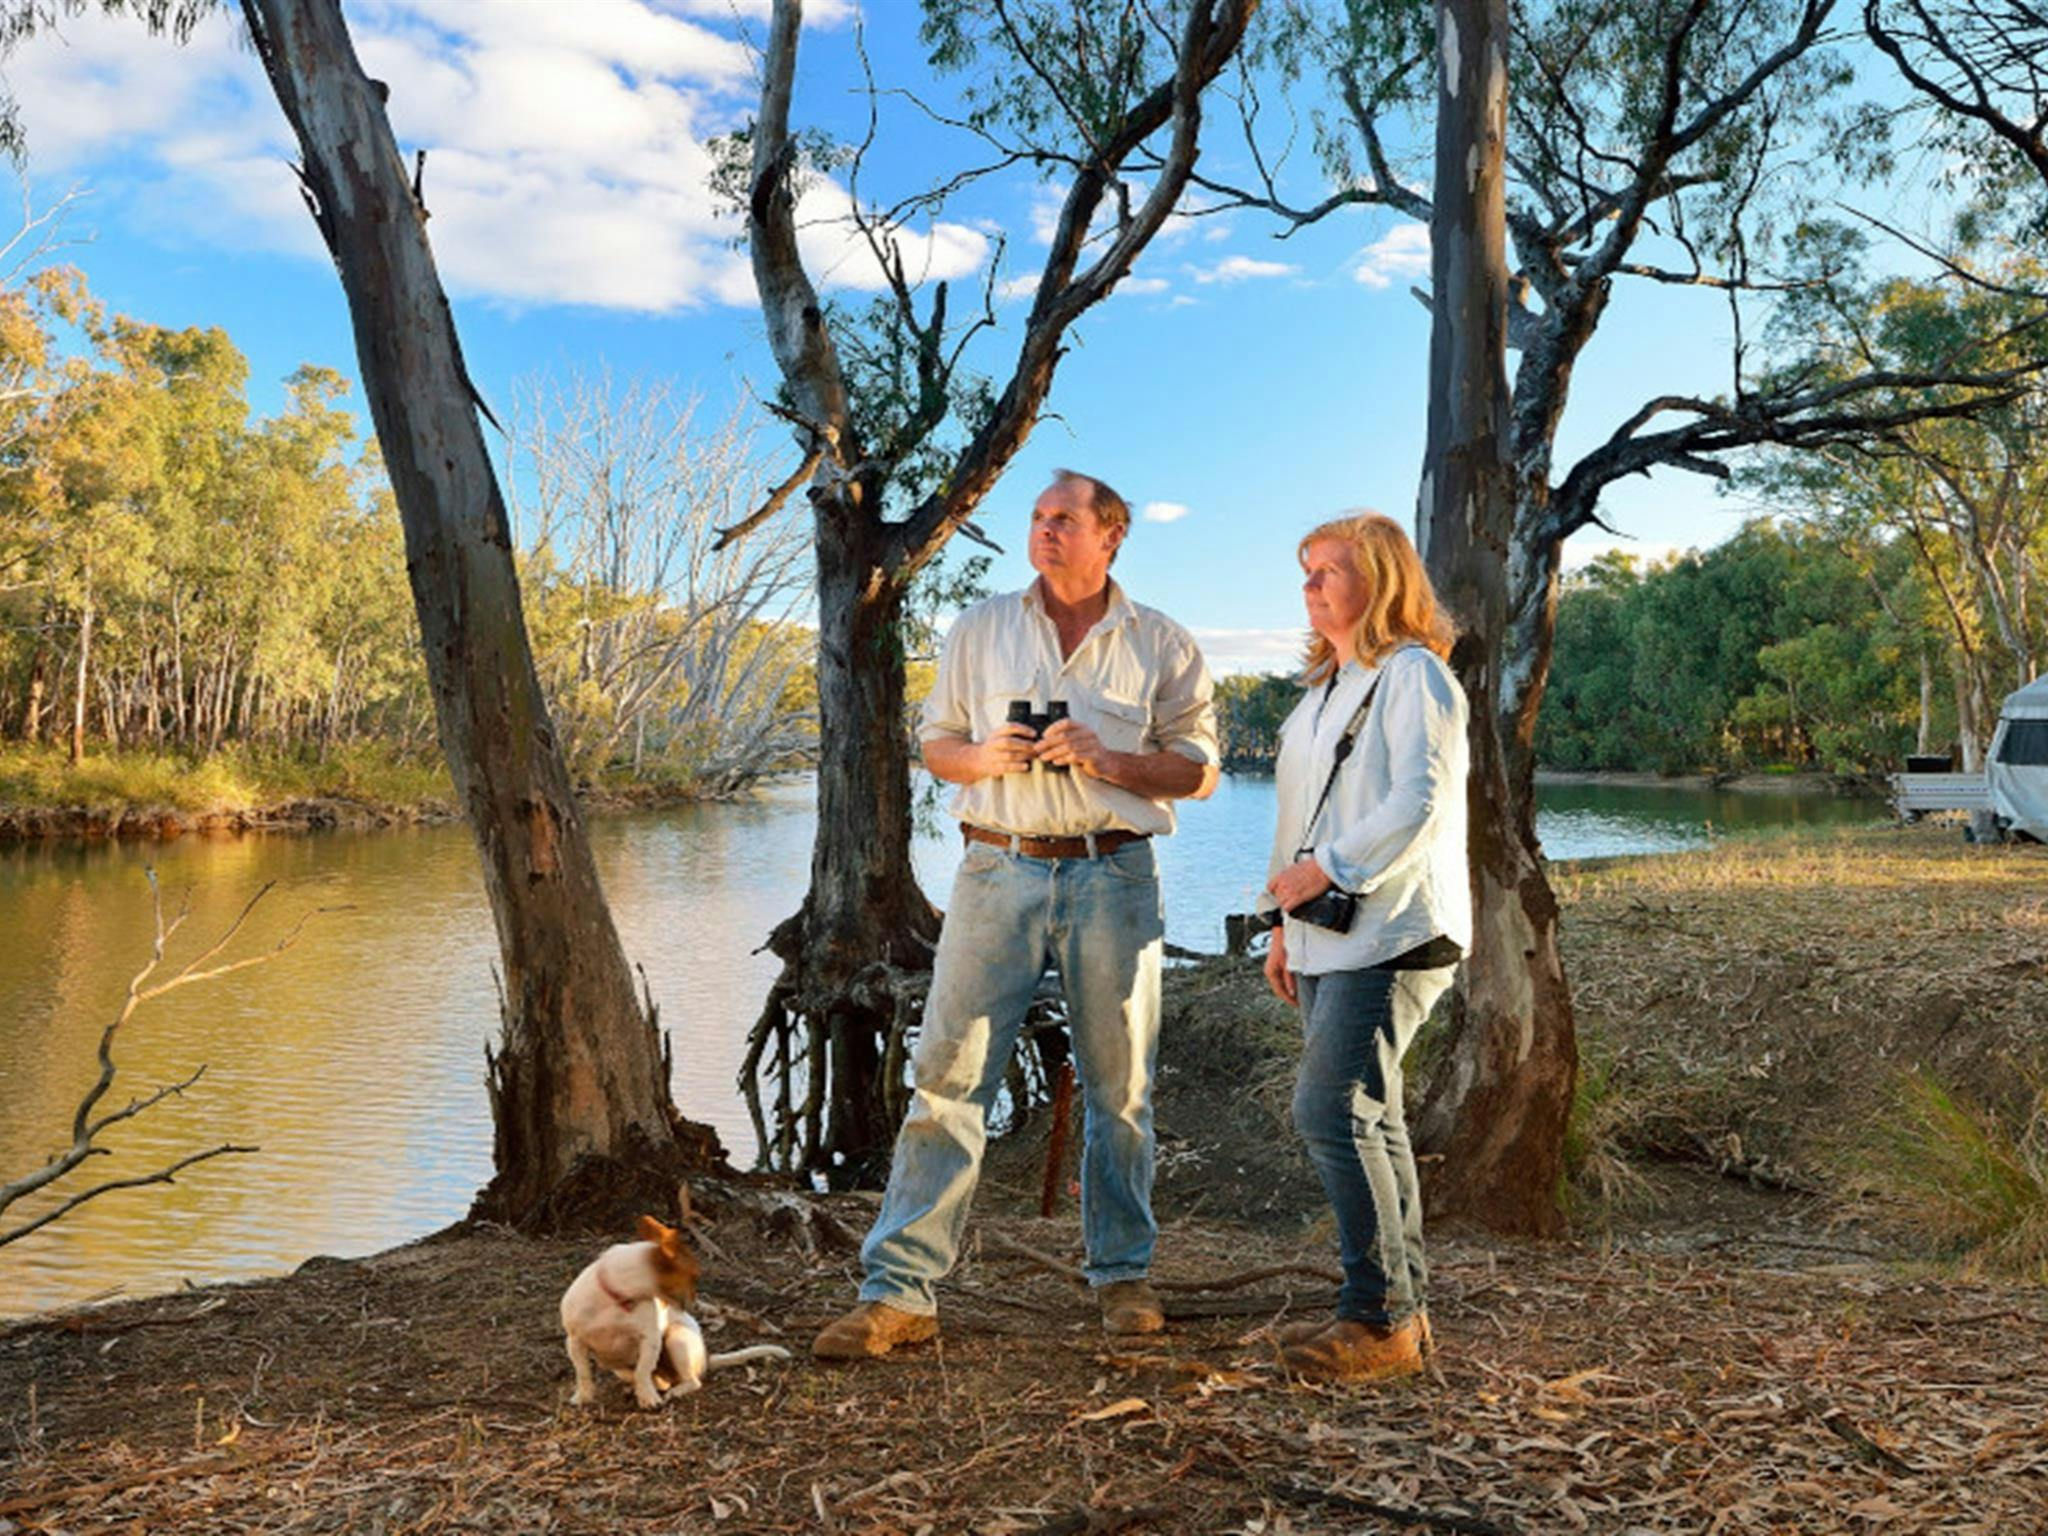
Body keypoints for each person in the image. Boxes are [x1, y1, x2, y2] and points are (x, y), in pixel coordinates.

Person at [812, 469, 1220, 1361]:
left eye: (1064, 519)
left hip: (1113, 875)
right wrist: (982, 756)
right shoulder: (981, 629)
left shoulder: (1162, 644)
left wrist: (1112, 760)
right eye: (1037, 518)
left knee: (1122, 1089)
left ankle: (1122, 1275)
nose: (1044, 532)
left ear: (1111, 535)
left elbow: (1198, 769)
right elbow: (935, 745)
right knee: (949, 1080)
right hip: (996, 871)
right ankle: (900, 1294)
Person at [1258, 511, 1470, 1383]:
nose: (1310, 587)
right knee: (1369, 1118)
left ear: (1378, 580)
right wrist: (1283, 924)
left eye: (1329, 572)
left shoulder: (1413, 674)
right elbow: (1295, 823)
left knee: (1329, 1111)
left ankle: (1379, 1316)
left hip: (1397, 929)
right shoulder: (1319, 694)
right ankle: (1396, 1316)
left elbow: (1419, 802)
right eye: (1305, 571)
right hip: (1324, 938)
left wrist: (1330, 871)